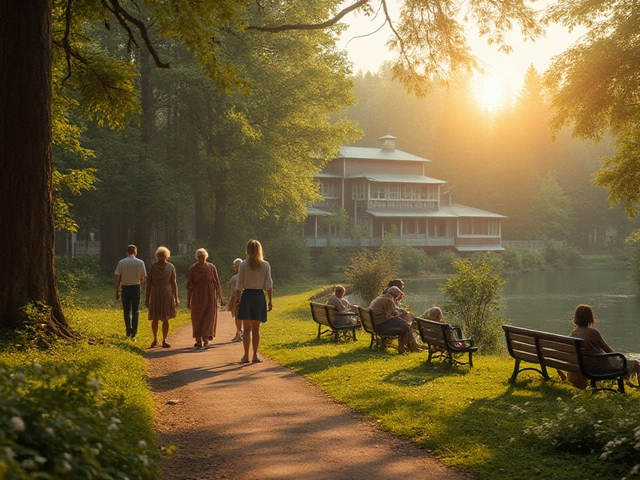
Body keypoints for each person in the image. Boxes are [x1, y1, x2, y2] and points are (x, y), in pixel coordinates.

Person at [566, 304, 640, 389]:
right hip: (598, 367)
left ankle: (630, 384)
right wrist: (618, 358)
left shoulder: (573, 333)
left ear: (576, 318)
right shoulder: (593, 332)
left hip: (584, 366)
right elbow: (608, 351)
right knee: (636, 364)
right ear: (590, 318)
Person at [235, 239, 273, 364]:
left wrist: (237, 300)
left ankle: (246, 355)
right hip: (258, 296)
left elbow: (239, 284)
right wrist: (270, 300)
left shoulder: (243, 265)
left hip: (247, 296)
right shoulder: (265, 264)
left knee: (246, 329)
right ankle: (255, 355)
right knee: (256, 329)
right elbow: (269, 285)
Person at [368, 286, 423, 354]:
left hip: (376, 323)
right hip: (381, 325)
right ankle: (410, 347)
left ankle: (410, 346)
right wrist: (395, 315)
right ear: (395, 294)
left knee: (405, 325)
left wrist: (394, 314)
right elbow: (388, 316)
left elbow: (388, 311)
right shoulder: (388, 300)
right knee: (405, 327)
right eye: (397, 296)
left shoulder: (381, 297)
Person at [186, 248, 223, 348]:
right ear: (197, 258)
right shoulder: (193, 269)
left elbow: (217, 282)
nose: (201, 259)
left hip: (210, 293)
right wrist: (188, 300)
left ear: (206, 257)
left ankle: (206, 338)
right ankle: (198, 339)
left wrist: (220, 296)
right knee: (197, 316)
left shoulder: (211, 267)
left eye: (203, 257)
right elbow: (189, 285)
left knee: (209, 315)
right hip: (198, 294)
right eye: (199, 257)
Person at [145, 246, 179, 348]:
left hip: (167, 293)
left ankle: (164, 339)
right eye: (160, 255)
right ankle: (155, 339)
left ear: (167, 256)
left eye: (163, 255)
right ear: (157, 256)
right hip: (155, 293)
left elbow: (173, 282)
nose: (162, 257)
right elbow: (149, 283)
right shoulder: (152, 267)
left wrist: (176, 297)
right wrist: (147, 298)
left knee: (166, 318)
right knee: (155, 317)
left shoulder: (170, 267)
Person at [114, 244, 147, 341]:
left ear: (127, 252)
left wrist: (117, 290)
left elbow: (118, 277)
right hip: (135, 287)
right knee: (135, 310)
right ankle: (134, 332)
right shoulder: (140, 262)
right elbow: (143, 276)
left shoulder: (121, 262)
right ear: (135, 252)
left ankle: (128, 330)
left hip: (125, 288)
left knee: (126, 310)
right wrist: (140, 285)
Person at [226, 258, 243, 342]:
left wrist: (229, 299)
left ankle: (239, 333)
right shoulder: (245, 276)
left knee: (237, 316)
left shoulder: (234, 278)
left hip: (236, 297)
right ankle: (239, 332)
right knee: (241, 316)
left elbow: (231, 289)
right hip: (243, 297)